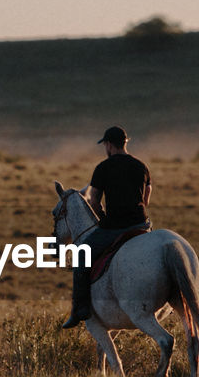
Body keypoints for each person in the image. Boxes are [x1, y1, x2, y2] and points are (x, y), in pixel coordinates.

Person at [60, 125, 152, 328]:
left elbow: (93, 201)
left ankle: (79, 309)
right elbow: (146, 199)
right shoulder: (141, 166)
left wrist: (102, 218)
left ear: (109, 145)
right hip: (141, 225)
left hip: (115, 227)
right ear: (125, 143)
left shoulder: (103, 168)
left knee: (81, 255)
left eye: (105, 145)